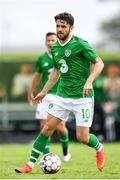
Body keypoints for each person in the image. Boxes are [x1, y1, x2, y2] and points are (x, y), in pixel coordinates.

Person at [15, 12, 105, 173]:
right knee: (47, 128)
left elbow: (99, 64)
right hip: (62, 96)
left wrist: (89, 81)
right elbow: (55, 74)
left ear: (71, 27)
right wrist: (43, 92)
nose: (60, 29)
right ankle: (29, 165)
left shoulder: (81, 44)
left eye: (64, 26)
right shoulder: (55, 47)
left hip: (82, 98)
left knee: (82, 138)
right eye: (58, 26)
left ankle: (99, 147)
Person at [28, 32, 71, 161]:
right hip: (45, 95)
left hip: (60, 96)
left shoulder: (64, 56)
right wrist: (31, 92)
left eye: (53, 40)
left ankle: (65, 150)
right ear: (45, 42)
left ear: (57, 41)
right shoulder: (42, 59)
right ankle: (47, 157)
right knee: (43, 126)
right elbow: (36, 77)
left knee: (60, 127)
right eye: (48, 40)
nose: (51, 42)